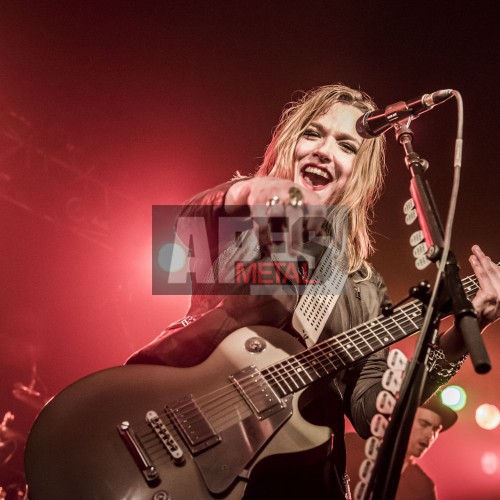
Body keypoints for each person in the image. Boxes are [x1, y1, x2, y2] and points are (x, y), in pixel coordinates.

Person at [127, 84, 500, 498]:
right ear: (291, 142)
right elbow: (183, 234)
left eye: (345, 145)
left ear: (359, 172)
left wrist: (459, 337)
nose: (324, 150)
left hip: (292, 485)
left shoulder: (362, 284)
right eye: (313, 133)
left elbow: (369, 411)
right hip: (174, 442)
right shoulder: (244, 217)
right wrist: (245, 193)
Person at [345, 397, 458, 499]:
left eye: (436, 429)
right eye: (424, 424)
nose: (430, 435)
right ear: (401, 421)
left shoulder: (423, 487)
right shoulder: (350, 444)